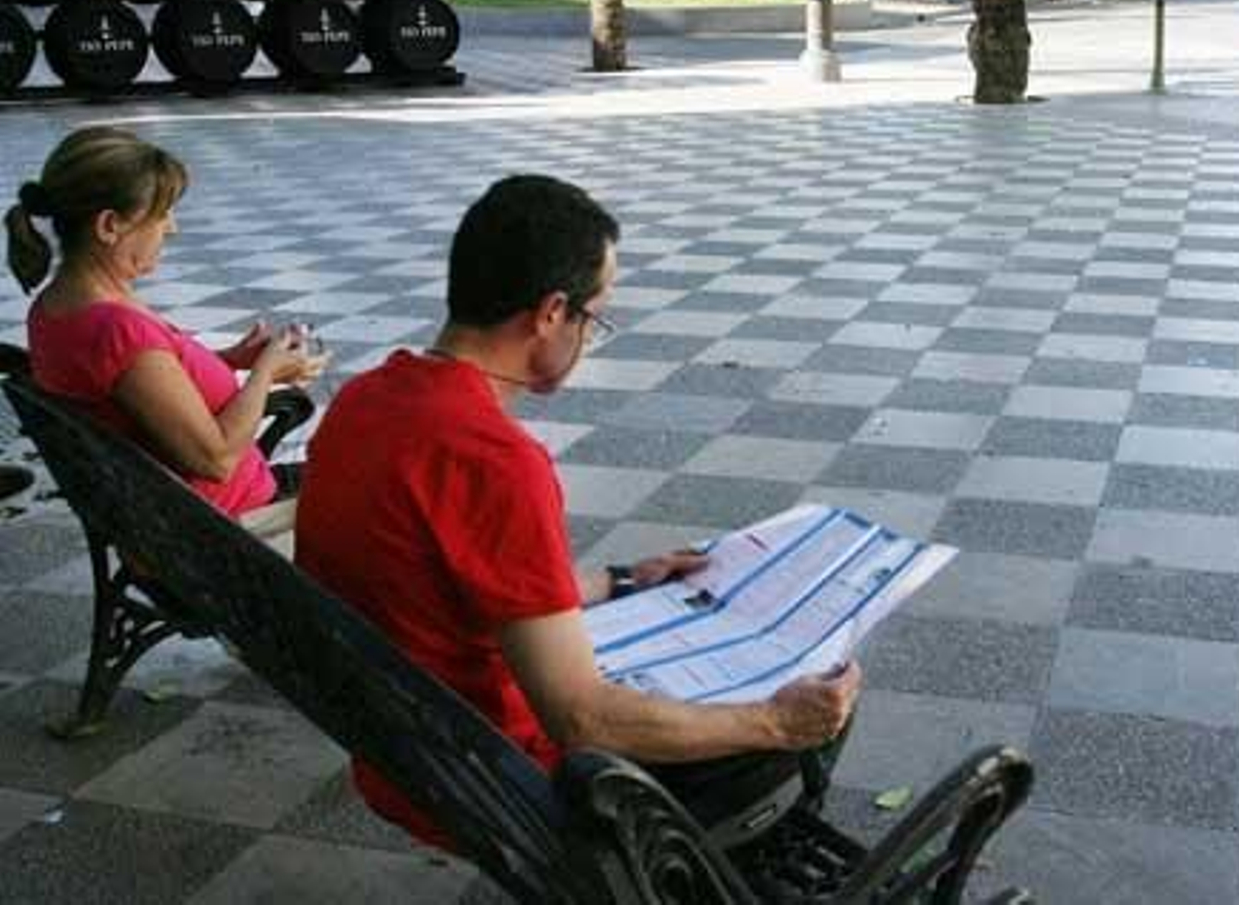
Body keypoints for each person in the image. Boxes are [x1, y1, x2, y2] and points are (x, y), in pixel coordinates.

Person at [295, 174, 860, 850]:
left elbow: (466, 582)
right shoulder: (495, 459)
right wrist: (775, 723)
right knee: (818, 698)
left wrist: (623, 580)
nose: (591, 337)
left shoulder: (367, 398)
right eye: (595, 316)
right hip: (510, 785)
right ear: (551, 312)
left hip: (403, 751)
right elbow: (582, 720)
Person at [4, 126, 324, 518]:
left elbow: (138, 385)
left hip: (160, 527)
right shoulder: (116, 331)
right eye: (162, 213)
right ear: (109, 226)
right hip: (236, 534)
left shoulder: (54, 308)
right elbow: (217, 460)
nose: (172, 227)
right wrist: (264, 371)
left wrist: (230, 359)